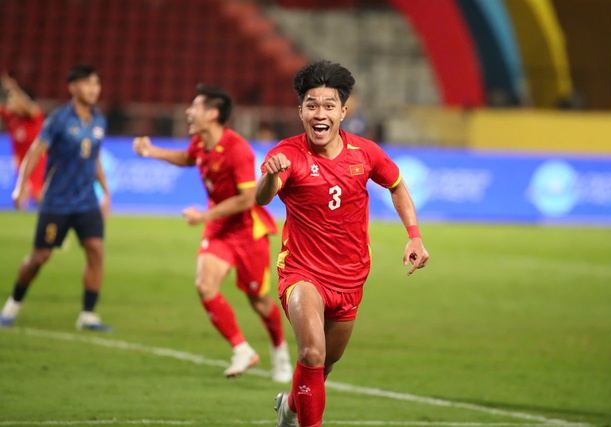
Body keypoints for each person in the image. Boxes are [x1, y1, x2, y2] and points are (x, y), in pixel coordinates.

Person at [255, 60, 430, 427]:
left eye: (328, 105)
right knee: (312, 353)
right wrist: (269, 178)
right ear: (300, 111)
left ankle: (289, 407)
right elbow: (263, 198)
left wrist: (414, 236)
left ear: (343, 111)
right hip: (302, 273)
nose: (320, 114)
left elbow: (397, 186)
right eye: (312, 105)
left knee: (324, 366)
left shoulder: (365, 153)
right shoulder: (288, 154)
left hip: (350, 277)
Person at [131, 84, 293, 383]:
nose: (188, 112)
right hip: (219, 229)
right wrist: (151, 151)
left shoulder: (237, 149)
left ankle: (279, 350)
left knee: (259, 301)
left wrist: (204, 215)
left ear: (213, 114)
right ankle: (241, 349)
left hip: (247, 231)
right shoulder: (200, 142)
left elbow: (247, 199)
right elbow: (188, 158)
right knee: (205, 285)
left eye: (195, 106)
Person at [0, 64, 111, 331]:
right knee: (40, 257)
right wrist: (21, 186)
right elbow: (36, 151)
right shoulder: (58, 120)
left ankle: (88, 315)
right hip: (57, 202)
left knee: (96, 250)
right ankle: (13, 304)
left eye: (96, 84)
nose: (94, 89)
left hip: (86, 201)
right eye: (88, 83)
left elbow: (94, 157)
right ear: (73, 87)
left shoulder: (99, 120)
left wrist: (105, 192)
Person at [0, 72, 47, 208]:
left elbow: (28, 106)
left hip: (37, 159)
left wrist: (15, 89)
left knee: (37, 192)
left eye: (12, 99)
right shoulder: (11, 117)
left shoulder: (34, 117)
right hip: (20, 160)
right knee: (22, 192)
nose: (9, 102)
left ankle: (54, 213)